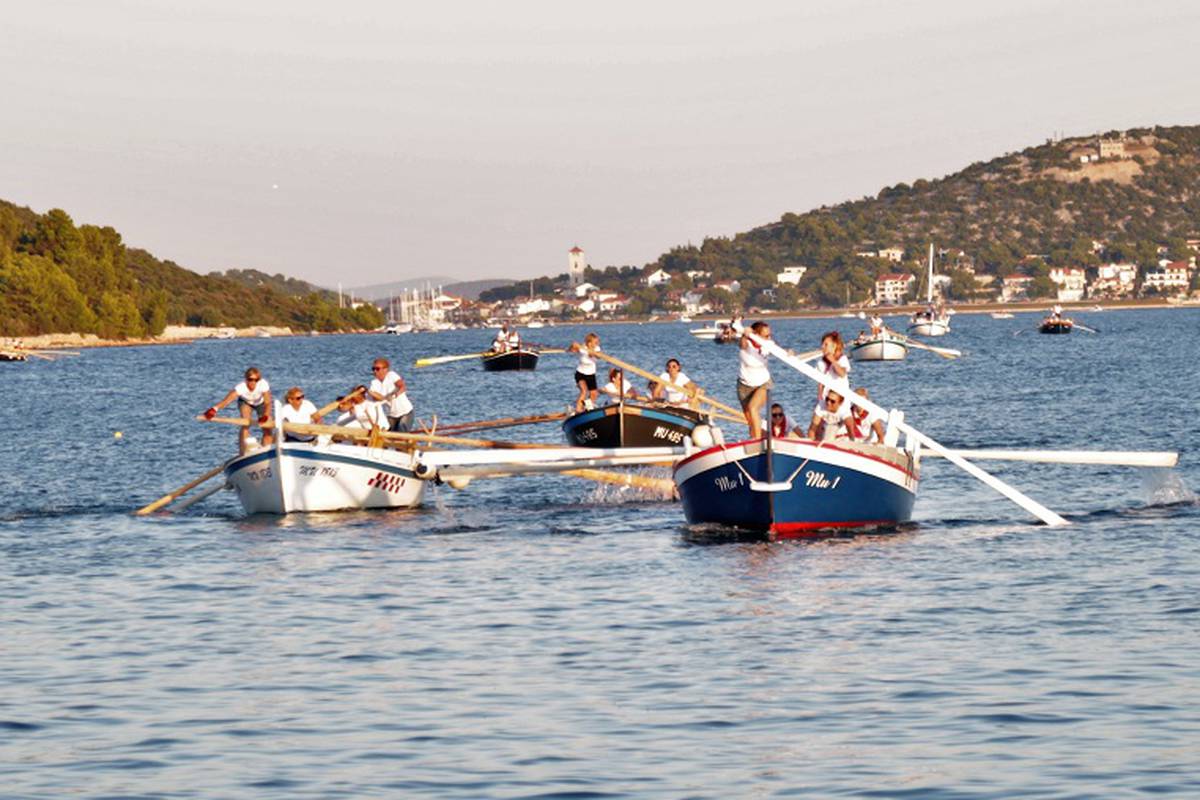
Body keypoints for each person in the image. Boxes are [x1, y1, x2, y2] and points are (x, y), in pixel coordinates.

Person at [205, 367, 273, 455]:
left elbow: (268, 402)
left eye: (256, 380)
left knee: (267, 428)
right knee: (245, 423)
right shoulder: (241, 387)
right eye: (250, 379)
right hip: (245, 403)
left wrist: (265, 416)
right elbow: (226, 401)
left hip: (260, 403)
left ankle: (266, 452)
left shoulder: (263, 384)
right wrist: (214, 409)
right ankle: (243, 452)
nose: (253, 383)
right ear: (246, 379)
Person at [737, 320, 772, 438]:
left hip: (763, 384)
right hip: (744, 386)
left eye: (769, 335)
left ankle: (757, 443)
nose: (768, 338)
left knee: (753, 408)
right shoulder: (747, 344)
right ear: (756, 335)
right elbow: (742, 344)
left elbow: (779, 351)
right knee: (751, 422)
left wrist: (789, 353)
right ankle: (763, 438)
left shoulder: (768, 344)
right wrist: (745, 333)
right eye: (765, 336)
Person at [369, 358, 414, 432]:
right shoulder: (374, 383)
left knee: (401, 431)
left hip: (405, 412)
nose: (375, 371)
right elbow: (376, 398)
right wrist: (370, 393)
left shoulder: (391, 375)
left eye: (377, 369)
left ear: (385, 369)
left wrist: (395, 394)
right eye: (373, 369)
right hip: (391, 415)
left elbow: (402, 386)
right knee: (388, 435)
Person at [816, 331, 850, 410]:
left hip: (840, 399)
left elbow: (842, 374)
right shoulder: (821, 361)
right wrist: (819, 395)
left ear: (834, 346)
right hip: (826, 398)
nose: (822, 347)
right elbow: (820, 380)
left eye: (826, 345)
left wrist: (833, 361)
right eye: (822, 344)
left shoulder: (842, 359)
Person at [569, 332, 601, 412]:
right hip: (580, 374)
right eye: (595, 342)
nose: (597, 344)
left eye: (597, 342)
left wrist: (591, 351)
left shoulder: (597, 349)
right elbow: (572, 350)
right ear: (589, 343)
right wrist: (573, 346)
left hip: (591, 375)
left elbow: (595, 355)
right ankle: (578, 409)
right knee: (584, 391)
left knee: (594, 394)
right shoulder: (582, 348)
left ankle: (587, 408)